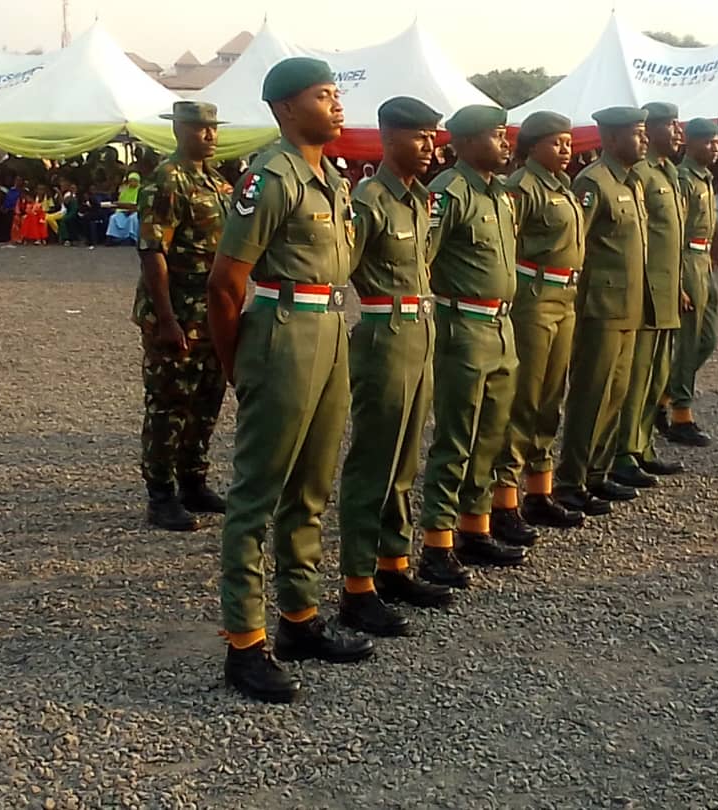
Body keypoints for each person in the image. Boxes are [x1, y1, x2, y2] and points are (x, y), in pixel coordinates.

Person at [208, 58, 374, 705]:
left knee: (311, 488)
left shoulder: (330, 177)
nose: (337, 104)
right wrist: (240, 366)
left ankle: (299, 618)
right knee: (257, 494)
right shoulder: (271, 177)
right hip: (282, 334)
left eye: (336, 93)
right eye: (323, 95)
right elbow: (225, 283)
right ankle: (245, 644)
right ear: (285, 108)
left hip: (329, 330)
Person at [336, 97, 455, 639]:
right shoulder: (369, 200)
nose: (430, 146)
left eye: (432, 136)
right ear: (388, 138)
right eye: (418, 136)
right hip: (384, 336)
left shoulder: (418, 200)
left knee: (405, 461)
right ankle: (357, 586)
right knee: (374, 464)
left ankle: (393, 564)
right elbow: (342, 268)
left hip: (419, 334)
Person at [418, 104, 527, 574]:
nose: (505, 143)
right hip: (462, 327)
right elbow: (421, 259)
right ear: (463, 143)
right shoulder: (449, 193)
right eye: (495, 135)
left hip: (501, 326)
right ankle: (437, 543)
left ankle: (475, 527)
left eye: (505, 134)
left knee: (491, 435)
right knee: (456, 438)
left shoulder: (500, 194)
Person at [134, 102, 232, 531]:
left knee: (206, 400)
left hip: (211, 313)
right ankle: (161, 495)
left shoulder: (216, 181)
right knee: (169, 405)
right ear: (178, 131)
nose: (209, 135)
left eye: (213, 128)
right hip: (179, 313)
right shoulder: (167, 180)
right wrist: (167, 319)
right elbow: (153, 252)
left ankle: (193, 482)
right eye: (199, 128)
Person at [489, 111, 587, 544]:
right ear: (531, 146)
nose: (565, 150)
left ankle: (539, 491)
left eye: (568, 142)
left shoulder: (562, 185)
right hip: (533, 299)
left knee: (550, 398)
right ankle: (503, 501)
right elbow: (503, 246)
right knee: (523, 401)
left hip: (564, 298)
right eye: (556, 143)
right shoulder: (522, 187)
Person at [554, 106, 649, 515]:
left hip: (628, 305)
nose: (644, 140)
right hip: (600, 306)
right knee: (591, 395)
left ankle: (598, 471)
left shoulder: (631, 182)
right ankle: (570, 480)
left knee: (616, 392)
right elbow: (577, 245)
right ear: (610, 139)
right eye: (637, 133)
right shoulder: (593, 183)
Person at [610, 102, 685, 491]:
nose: (678, 131)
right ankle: (623, 453)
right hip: (643, 292)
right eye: (670, 125)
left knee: (656, 377)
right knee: (635, 378)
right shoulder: (639, 173)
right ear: (650, 130)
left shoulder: (666, 171)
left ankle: (642, 447)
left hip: (665, 289)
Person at [661, 118, 718, 447]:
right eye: (708, 142)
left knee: (707, 339)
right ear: (690, 144)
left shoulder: (704, 177)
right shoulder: (683, 179)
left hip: (703, 261)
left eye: (716, 141)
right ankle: (681, 416)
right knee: (687, 343)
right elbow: (674, 233)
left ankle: (660, 397)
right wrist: (678, 281)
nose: (715, 148)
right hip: (686, 261)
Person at [106, 172, 142, 245]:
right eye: (130, 181)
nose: (132, 182)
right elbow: (121, 202)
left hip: (135, 211)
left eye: (134, 181)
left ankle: (131, 238)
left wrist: (132, 210)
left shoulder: (141, 190)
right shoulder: (125, 190)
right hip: (124, 210)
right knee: (114, 217)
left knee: (133, 218)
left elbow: (139, 204)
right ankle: (113, 237)